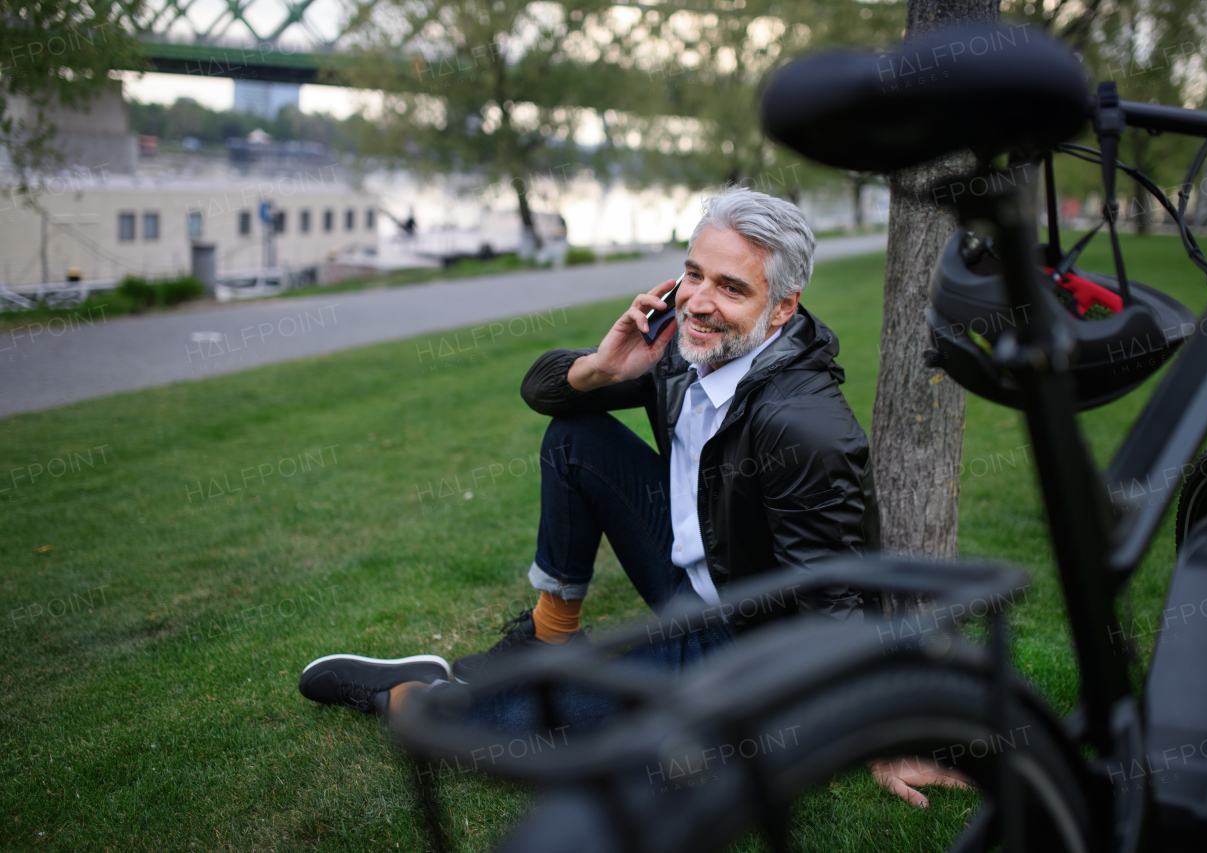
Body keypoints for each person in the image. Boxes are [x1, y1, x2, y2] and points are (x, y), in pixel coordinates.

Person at [298, 186, 963, 806]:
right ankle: (549, 638)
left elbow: (837, 598)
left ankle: (412, 694)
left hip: (737, 636)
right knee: (576, 432)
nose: (699, 300)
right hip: (685, 570)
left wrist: (887, 736)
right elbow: (542, 394)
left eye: (732, 287)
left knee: (504, 738)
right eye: (694, 273)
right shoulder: (681, 345)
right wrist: (601, 368)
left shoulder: (804, 427)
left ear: (782, 307)